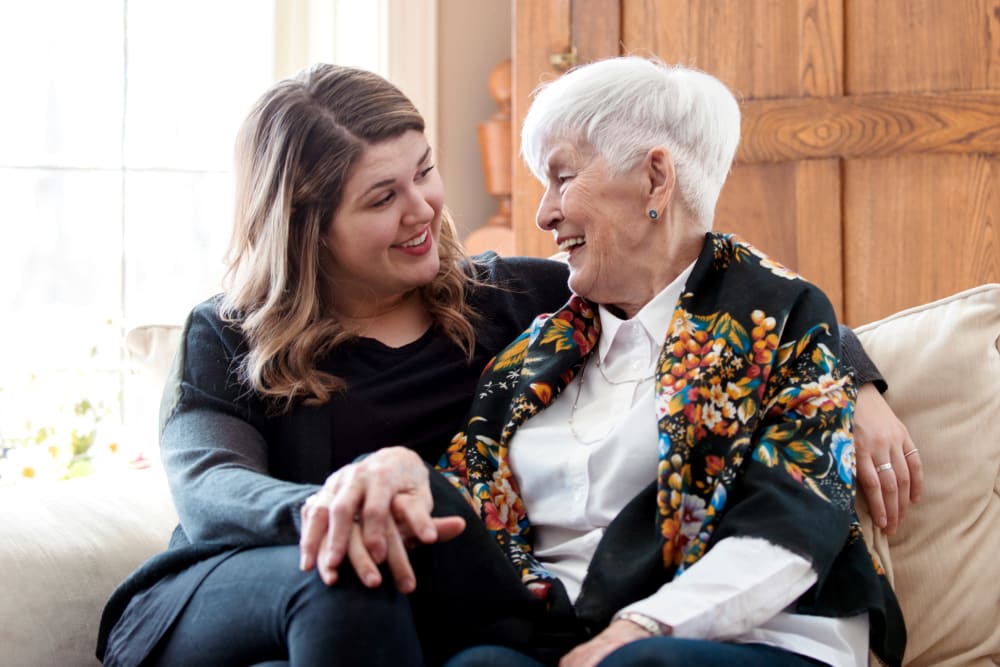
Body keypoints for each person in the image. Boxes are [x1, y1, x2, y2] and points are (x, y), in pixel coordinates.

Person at [97, 62, 909, 667]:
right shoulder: (229, 329)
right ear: (308, 226)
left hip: (405, 606)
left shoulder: (506, 299)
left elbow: (698, 272)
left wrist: (853, 377)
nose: (422, 210)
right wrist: (348, 504)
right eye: (382, 198)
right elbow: (210, 490)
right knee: (352, 568)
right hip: (236, 579)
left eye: (424, 172)